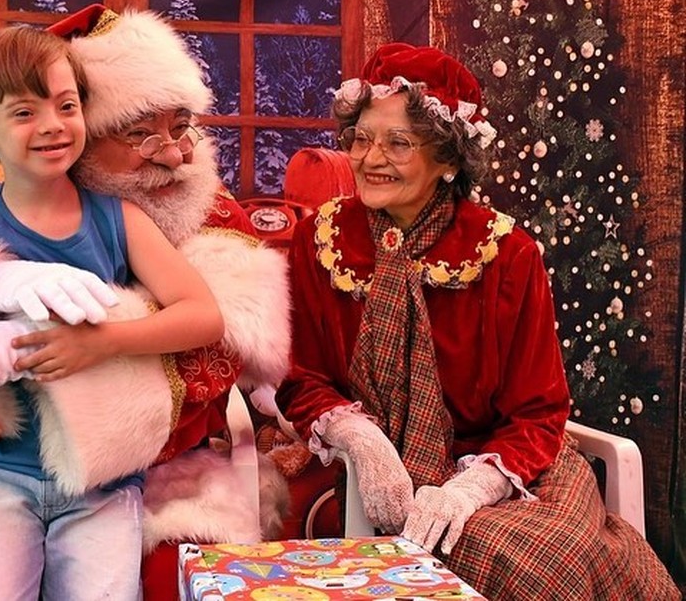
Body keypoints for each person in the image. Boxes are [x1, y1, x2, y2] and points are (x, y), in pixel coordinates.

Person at [0, 5, 291, 601]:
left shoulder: (121, 221)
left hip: (104, 484)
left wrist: (103, 340)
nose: (54, 126)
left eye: (67, 106)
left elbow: (203, 316)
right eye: (25, 113)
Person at [274, 42, 681, 599]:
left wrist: (470, 490)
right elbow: (302, 378)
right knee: (514, 561)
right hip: (387, 475)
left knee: (553, 560)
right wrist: (359, 437)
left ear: (448, 159)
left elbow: (539, 413)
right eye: (362, 138)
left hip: (512, 468)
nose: (370, 159)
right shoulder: (319, 240)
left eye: (398, 143)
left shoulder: (507, 252)